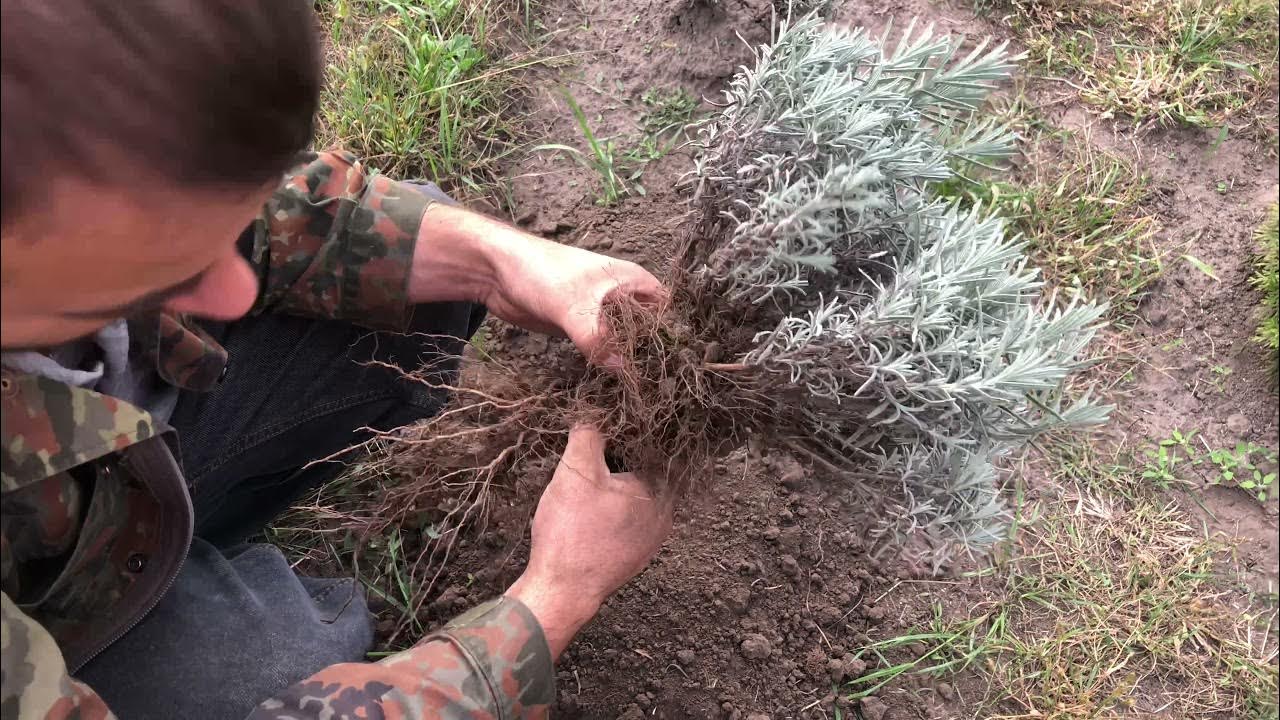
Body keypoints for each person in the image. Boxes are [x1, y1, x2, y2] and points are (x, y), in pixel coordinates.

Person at [0, 1, 673, 718]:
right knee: (287, 668)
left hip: (78, 475)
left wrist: (497, 262)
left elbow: (240, 210)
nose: (231, 293)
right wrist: (552, 601)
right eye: (148, 270)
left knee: (413, 282)